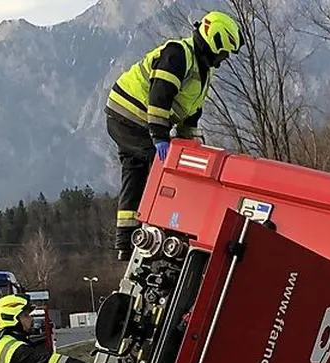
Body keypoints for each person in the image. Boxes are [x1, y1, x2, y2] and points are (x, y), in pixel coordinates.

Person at [104, 10, 244, 260]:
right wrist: (159, 137)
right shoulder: (178, 55)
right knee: (160, 168)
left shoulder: (202, 72)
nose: (223, 60)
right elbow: (160, 95)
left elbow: (191, 114)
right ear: (214, 42)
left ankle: (126, 242)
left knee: (135, 174)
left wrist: (191, 147)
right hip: (128, 116)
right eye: (223, 53)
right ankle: (158, 231)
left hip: (137, 122)